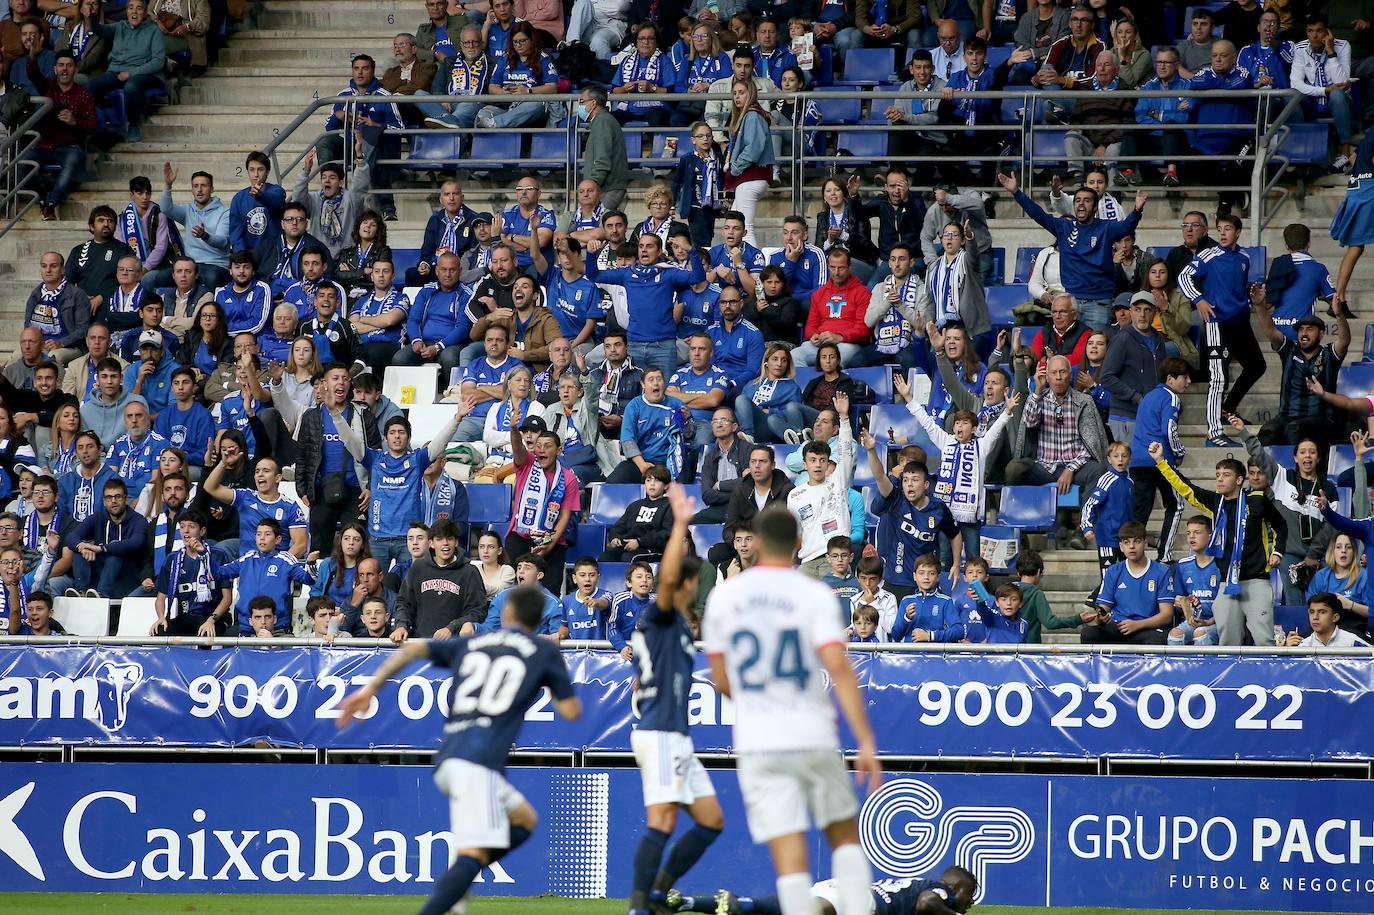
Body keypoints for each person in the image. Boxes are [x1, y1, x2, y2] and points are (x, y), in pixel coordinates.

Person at [337, 584, 581, 915]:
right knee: (471, 856)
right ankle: (455, 887)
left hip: (451, 755)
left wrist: (370, 688)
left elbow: (410, 650)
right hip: (478, 764)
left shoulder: (475, 642)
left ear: (506, 614)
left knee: (524, 820)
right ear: (540, 620)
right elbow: (570, 713)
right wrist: (549, 683)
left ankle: (459, 881)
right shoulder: (543, 650)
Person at [702, 504, 880, 915]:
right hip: (810, 731)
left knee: (788, 854)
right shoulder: (812, 593)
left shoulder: (725, 596)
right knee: (843, 837)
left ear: (757, 543)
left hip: (758, 740)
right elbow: (840, 669)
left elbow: (721, 679)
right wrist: (866, 740)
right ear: (800, 544)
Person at [622, 483, 723, 915]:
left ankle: (660, 892)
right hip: (659, 732)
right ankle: (640, 906)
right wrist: (680, 522)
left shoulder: (680, 628)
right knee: (663, 821)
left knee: (710, 820)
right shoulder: (660, 618)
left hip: (676, 736)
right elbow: (665, 580)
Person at [1150, 441, 1287, 646]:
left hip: (1256, 579)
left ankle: (1267, 678)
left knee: (1263, 640)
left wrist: (1277, 552)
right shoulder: (1215, 503)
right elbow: (1186, 487)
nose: (1220, 479)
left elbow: (1281, 526)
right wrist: (1161, 462)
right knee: (1227, 642)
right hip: (1226, 583)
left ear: (1240, 480)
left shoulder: (1257, 500)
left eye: (1226, 475)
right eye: (1217, 475)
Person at [1000, 170, 1146, 331]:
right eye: (1077, 200)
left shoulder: (1106, 227)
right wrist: (1016, 192)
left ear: (1095, 206)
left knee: (1096, 349)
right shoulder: (1064, 227)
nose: (1081, 204)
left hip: (1099, 303)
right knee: (1070, 351)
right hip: (1071, 302)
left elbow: (1126, 227)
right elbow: (1038, 214)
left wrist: (1137, 211)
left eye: (1087, 200)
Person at [1177, 213, 1263, 447]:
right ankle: (1213, 433)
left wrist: (1251, 298)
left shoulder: (1244, 257)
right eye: (1219, 229)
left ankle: (1228, 409)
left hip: (1241, 322)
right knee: (1218, 377)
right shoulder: (1208, 254)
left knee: (1257, 365)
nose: (1222, 233)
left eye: (1227, 229)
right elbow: (1183, 277)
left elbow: (1237, 288)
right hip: (1217, 322)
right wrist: (1199, 300)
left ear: (1238, 232)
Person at [295, 363, 382, 552]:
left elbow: (376, 454)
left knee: (356, 548)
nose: (341, 382)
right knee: (319, 549)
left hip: (356, 491)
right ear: (324, 384)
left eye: (345, 379)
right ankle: (322, 581)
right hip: (321, 489)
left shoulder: (363, 414)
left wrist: (370, 488)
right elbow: (303, 455)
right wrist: (302, 489)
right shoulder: (312, 416)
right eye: (335, 378)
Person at [1006, 355, 1110, 493]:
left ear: (1070, 375)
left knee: (1099, 471)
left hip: (1077, 466)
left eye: (1063, 372)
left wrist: (1071, 469)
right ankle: (1025, 514)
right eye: (1054, 373)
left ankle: (1087, 514)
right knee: (1015, 469)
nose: (1058, 377)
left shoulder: (1084, 401)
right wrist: (1037, 390)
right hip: (1044, 467)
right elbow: (1029, 423)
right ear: (1047, 377)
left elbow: (1092, 442)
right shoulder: (1038, 398)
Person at [786, 391, 853, 578]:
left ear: (827, 462)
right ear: (804, 465)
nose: (818, 464)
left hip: (833, 559)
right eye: (813, 460)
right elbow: (795, 534)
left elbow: (846, 452)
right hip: (806, 562)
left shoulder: (838, 481)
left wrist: (844, 418)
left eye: (822, 460)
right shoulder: (795, 495)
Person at [25, 49, 95, 222]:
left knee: (70, 165)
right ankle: (41, 198)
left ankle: (51, 204)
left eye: (69, 66)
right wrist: (32, 56)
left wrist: (75, 122)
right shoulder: (47, 86)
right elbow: (33, 74)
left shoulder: (84, 94)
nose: (65, 69)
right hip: (43, 145)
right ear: (55, 69)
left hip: (69, 146)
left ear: (76, 70)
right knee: (22, 165)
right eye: (61, 65)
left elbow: (94, 126)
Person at [1079, 521, 1174, 645]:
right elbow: (1103, 609)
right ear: (1121, 546)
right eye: (1126, 542)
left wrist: (1138, 625)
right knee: (1089, 634)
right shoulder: (1113, 571)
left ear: (1145, 544)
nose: (1132, 546)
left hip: (1147, 627)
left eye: (1137, 541)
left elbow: (1167, 614)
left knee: (1157, 640)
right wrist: (1100, 618)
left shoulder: (1161, 571)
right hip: (1119, 627)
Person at [86, 0, 165, 142]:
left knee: (131, 86)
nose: (134, 11)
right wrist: (92, 17)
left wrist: (131, 74)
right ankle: (107, 118)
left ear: (145, 12)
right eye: (131, 8)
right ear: (126, 11)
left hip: (145, 73)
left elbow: (158, 61)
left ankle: (134, 124)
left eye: (139, 8)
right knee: (90, 87)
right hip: (116, 71)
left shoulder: (154, 30)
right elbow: (100, 30)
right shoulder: (120, 26)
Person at [793, 248, 871, 367]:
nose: (836, 272)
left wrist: (840, 337)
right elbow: (811, 325)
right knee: (794, 356)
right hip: (821, 343)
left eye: (841, 268)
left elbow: (863, 330)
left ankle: (832, 386)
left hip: (847, 344)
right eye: (832, 267)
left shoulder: (862, 293)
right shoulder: (819, 294)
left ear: (850, 267)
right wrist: (813, 335)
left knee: (833, 359)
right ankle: (807, 386)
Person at [723, 76, 776, 245]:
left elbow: (754, 149)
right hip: (749, 179)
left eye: (741, 93)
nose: (737, 97)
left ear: (751, 94)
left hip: (751, 178)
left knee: (745, 230)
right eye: (735, 93)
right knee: (735, 226)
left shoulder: (752, 115)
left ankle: (755, 269)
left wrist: (734, 169)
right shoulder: (749, 115)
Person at [1329, 131, 1374, 322]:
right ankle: (1338, 300)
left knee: (1355, 247)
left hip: (1356, 187)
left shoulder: (1371, 131)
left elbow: (1353, 159)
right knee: (1355, 247)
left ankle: (1339, 299)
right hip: (1369, 190)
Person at [1286, 593, 1370, 648]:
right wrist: (1287, 652)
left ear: (1335, 617)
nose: (1315, 617)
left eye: (1322, 612)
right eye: (1312, 612)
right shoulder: (1302, 644)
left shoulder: (1352, 641)